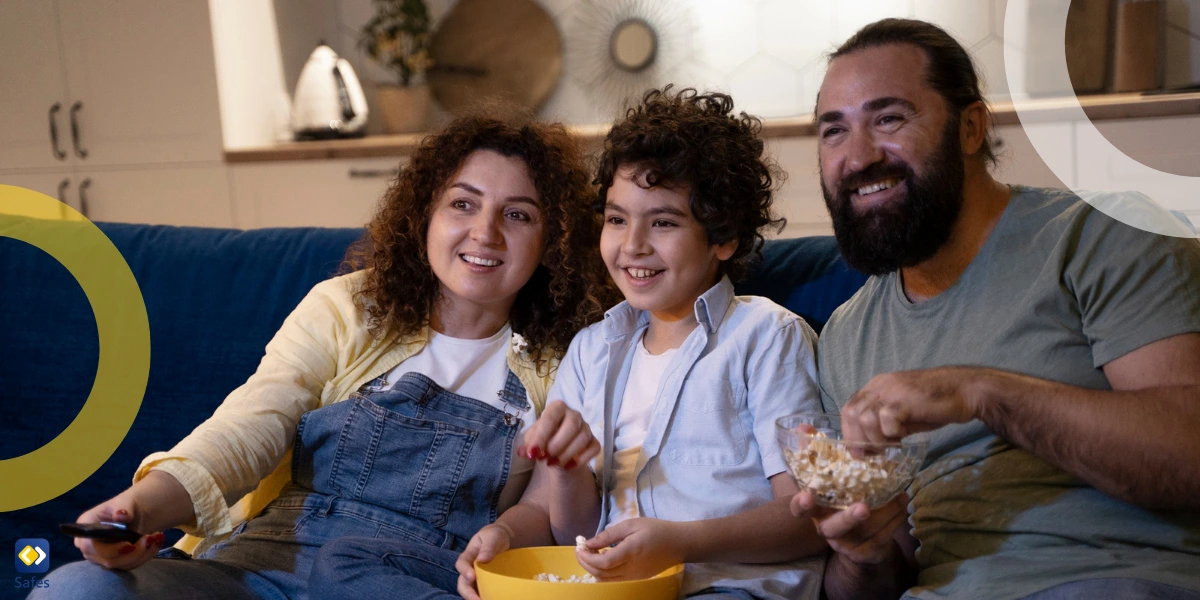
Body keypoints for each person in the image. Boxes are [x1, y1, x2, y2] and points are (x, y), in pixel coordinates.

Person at [33, 110, 617, 600]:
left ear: (554, 240)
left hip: (411, 581)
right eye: (463, 204)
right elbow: (248, 428)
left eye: (518, 215)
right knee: (78, 589)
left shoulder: (572, 356)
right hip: (257, 570)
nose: (485, 233)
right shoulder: (348, 307)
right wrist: (136, 510)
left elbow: (552, 512)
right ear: (425, 217)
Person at [792, 18, 1200, 600]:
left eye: (888, 119)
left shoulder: (1102, 233)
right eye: (833, 132)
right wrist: (865, 552)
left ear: (971, 127)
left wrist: (983, 392)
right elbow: (880, 574)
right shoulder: (846, 335)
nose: (856, 157)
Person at [446, 87, 828, 600]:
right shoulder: (591, 351)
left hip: (730, 588)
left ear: (724, 237)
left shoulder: (765, 338)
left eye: (664, 222)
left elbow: (806, 517)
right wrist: (509, 532)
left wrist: (681, 543)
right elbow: (554, 520)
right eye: (617, 219)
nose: (632, 246)